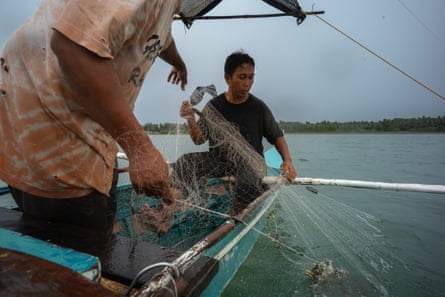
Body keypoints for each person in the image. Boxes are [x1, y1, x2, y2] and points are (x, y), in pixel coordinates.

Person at [0, 0, 187, 232]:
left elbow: (161, 37)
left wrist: (178, 63)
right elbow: (72, 48)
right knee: (82, 249)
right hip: (57, 133)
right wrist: (141, 150)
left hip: (57, 131)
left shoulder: (161, 7)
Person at [174, 51, 296, 214]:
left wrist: (287, 161)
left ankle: (235, 219)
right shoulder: (214, 106)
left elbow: (277, 136)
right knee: (184, 163)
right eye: (242, 77)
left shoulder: (258, 107)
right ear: (227, 77)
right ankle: (179, 205)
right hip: (220, 161)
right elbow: (198, 139)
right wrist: (190, 119)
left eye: (251, 77)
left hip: (251, 164)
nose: (247, 83)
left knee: (247, 184)